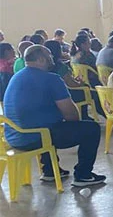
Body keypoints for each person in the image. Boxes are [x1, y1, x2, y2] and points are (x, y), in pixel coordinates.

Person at [2, 45, 105, 186]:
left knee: (47, 124)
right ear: (41, 59)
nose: (52, 58)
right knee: (91, 129)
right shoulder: (51, 79)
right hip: (34, 138)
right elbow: (72, 116)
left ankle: (49, 171)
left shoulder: (17, 77)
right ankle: (83, 175)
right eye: (49, 55)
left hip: (13, 136)